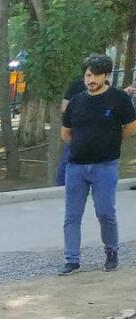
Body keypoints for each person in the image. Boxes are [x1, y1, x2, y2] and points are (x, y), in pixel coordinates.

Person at [59, 54, 136, 275]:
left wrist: (110, 139)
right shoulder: (76, 101)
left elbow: (131, 127)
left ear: (106, 76)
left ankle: (111, 252)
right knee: (72, 215)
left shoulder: (119, 99)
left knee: (105, 212)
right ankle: (72, 259)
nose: (90, 79)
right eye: (87, 75)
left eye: (95, 75)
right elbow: (66, 133)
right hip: (76, 167)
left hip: (105, 166)